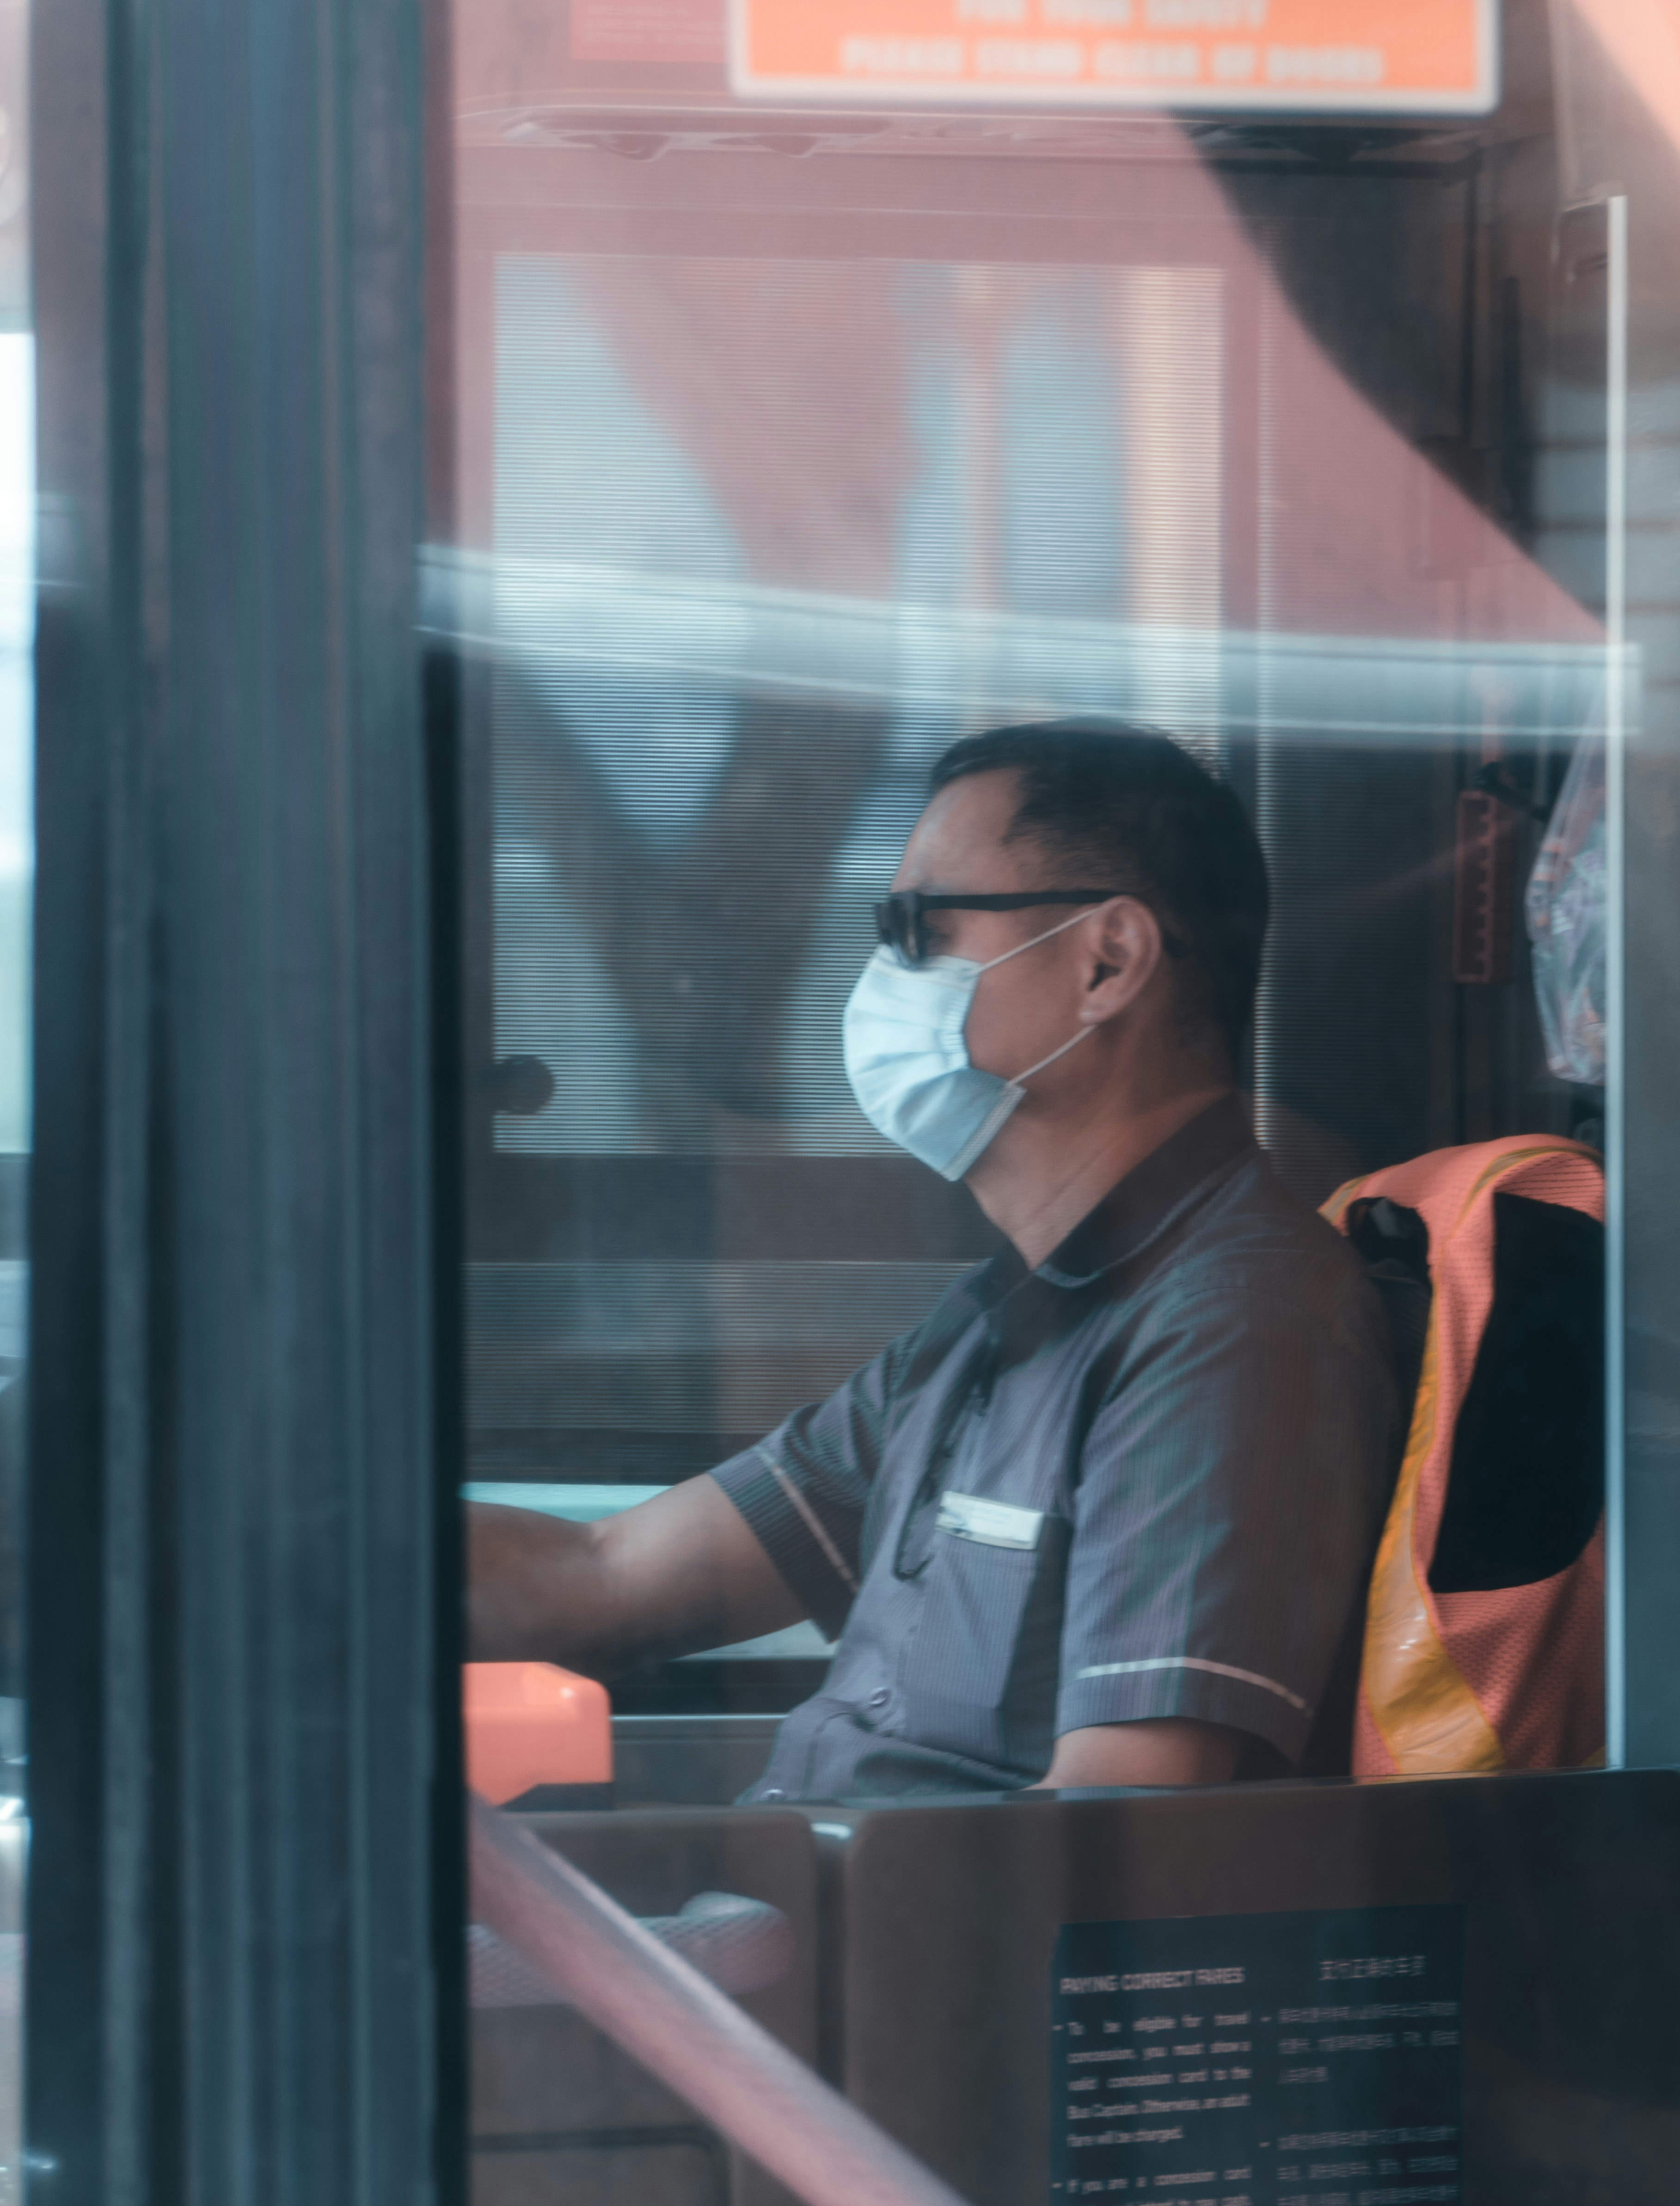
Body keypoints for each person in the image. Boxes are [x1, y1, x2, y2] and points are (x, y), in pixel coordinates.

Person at [469, 719, 1403, 1800]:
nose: (880, 975)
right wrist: (295, 1565)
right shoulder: (996, 1321)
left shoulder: (1234, 1331)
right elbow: (604, 1579)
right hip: (804, 1922)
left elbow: (1117, 1849)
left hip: (888, 1956)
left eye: (914, 928)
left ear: (1107, 961)